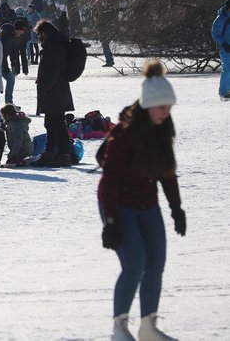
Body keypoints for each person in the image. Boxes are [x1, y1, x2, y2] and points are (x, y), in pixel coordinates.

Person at [98, 59, 185, 341]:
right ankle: (119, 329)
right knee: (135, 264)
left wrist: (176, 208)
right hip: (119, 205)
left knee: (156, 264)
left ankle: (148, 327)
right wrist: (110, 220)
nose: (166, 112)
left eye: (169, 107)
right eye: (162, 107)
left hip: (147, 204)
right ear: (149, 105)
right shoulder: (124, 135)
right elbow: (109, 180)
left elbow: (167, 171)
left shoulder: (162, 130)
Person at [33, 19, 74, 167]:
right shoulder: (54, 45)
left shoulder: (54, 47)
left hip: (55, 91)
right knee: (51, 123)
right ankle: (51, 153)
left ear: (44, 33)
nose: (38, 38)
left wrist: (44, 88)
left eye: (39, 35)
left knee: (56, 123)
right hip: (57, 91)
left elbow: (53, 71)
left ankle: (62, 154)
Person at [211, 0, 230, 101]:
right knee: (227, 68)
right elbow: (215, 33)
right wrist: (224, 43)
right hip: (225, 48)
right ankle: (223, 92)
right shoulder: (221, 18)